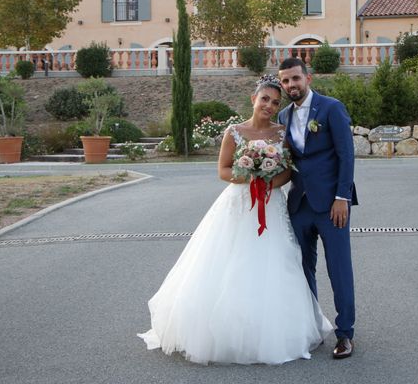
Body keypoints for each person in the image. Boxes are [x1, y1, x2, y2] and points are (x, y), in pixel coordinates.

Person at [137, 75, 332, 365]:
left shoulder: (282, 133)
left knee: (274, 262)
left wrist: (268, 182)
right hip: (238, 204)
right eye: (264, 99)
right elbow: (223, 171)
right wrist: (251, 175)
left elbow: (288, 171)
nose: (269, 105)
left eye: (275, 102)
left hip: (272, 205)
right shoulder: (235, 132)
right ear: (254, 99)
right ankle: (225, 332)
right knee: (230, 261)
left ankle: (274, 330)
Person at [277, 58, 358, 359]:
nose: (291, 85)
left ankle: (345, 334)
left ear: (307, 78)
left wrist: (342, 197)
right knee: (302, 269)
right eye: (285, 81)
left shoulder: (331, 108)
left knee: (339, 269)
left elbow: (346, 155)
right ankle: (311, 327)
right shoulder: (283, 116)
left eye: (295, 78)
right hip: (298, 204)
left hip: (331, 205)